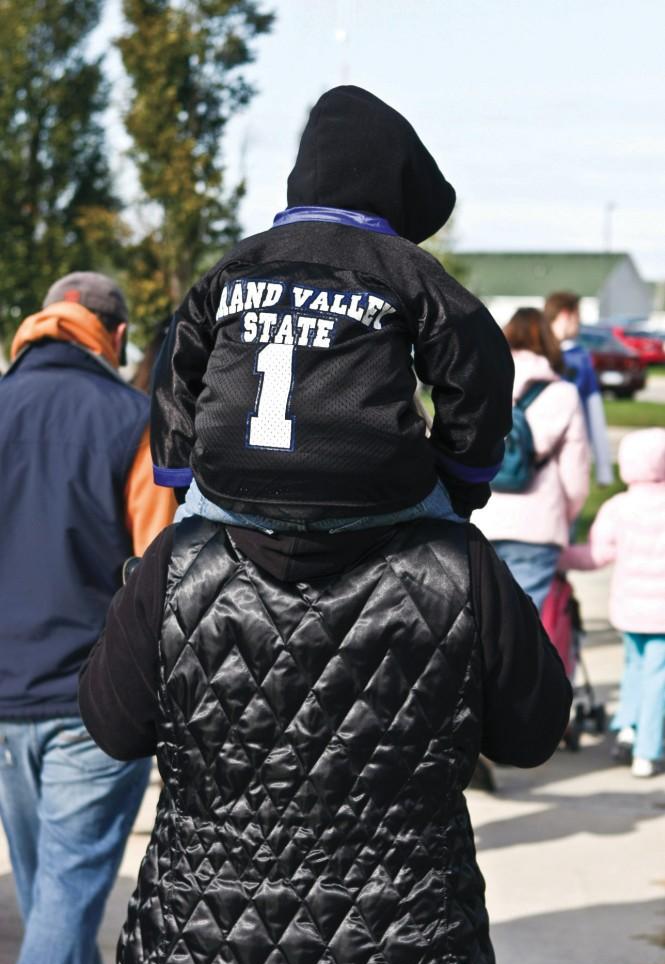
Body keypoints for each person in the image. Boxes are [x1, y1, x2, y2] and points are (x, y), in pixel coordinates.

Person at [80, 509, 572, 964]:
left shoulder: (180, 559)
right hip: (405, 951)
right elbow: (531, 735)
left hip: (202, 948)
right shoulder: (456, 562)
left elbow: (115, 727)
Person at [151, 84, 514, 532]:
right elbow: (479, 367)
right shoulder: (404, 267)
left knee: (152, 583)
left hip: (230, 487)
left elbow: (173, 372)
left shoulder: (235, 264)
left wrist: (183, 480)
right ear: (396, 183)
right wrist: (462, 480)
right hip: (374, 493)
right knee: (486, 586)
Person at [0, 272, 177, 964]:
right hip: (90, 703)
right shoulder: (134, 419)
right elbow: (157, 567)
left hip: (5, 698)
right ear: (119, 335)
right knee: (63, 906)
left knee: (53, 906)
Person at [561, 428, 665, 778]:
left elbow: (598, 554)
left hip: (629, 608)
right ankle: (648, 751)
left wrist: (559, 558)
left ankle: (627, 729)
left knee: (634, 666)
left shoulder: (618, 507)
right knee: (657, 676)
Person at [473, 307, 590, 611]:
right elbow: (576, 478)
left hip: (480, 519)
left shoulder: (482, 385)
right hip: (537, 526)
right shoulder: (564, 394)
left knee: (480, 623)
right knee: (525, 627)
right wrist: (565, 519)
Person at [544, 290, 613, 487]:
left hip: (531, 452)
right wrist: (603, 470)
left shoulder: (531, 354)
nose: (580, 323)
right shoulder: (580, 359)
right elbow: (595, 412)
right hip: (571, 452)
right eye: (578, 316)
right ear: (567, 314)